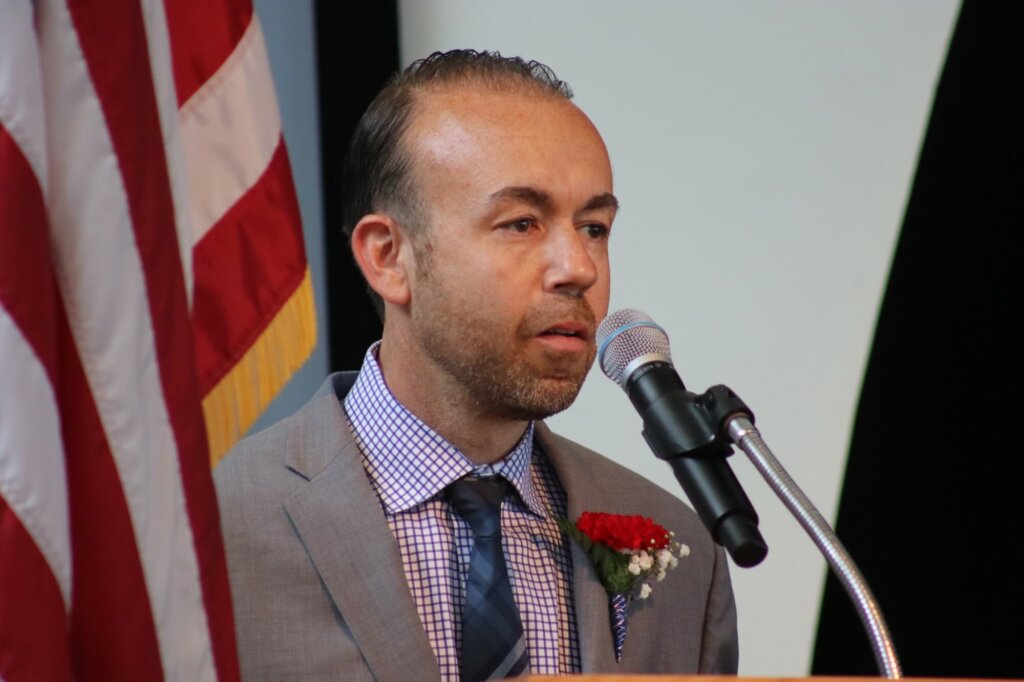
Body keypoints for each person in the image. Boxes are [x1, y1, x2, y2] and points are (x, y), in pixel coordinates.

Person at [215, 50, 738, 681]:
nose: (580, 268)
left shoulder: (683, 549)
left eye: (594, 227)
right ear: (388, 257)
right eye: (521, 223)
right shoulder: (212, 531)